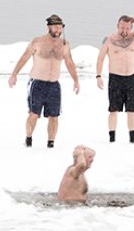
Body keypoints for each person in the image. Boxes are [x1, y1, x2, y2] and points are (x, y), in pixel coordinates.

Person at [8, 14, 80, 148]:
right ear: (49, 27)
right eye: (55, 27)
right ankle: (28, 139)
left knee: (54, 116)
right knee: (34, 114)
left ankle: (50, 143)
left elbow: (70, 63)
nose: (58, 30)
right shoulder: (38, 41)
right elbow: (24, 58)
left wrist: (76, 80)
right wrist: (14, 75)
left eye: (60, 27)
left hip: (54, 85)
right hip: (37, 84)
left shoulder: (64, 44)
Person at [94, 15, 134, 143]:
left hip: (130, 78)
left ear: (131, 28)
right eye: (122, 27)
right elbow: (100, 58)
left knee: (131, 111)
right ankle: (112, 138)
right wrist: (98, 76)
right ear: (117, 26)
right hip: (115, 78)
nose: (124, 30)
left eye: (127, 27)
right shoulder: (109, 40)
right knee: (113, 110)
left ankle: (132, 138)